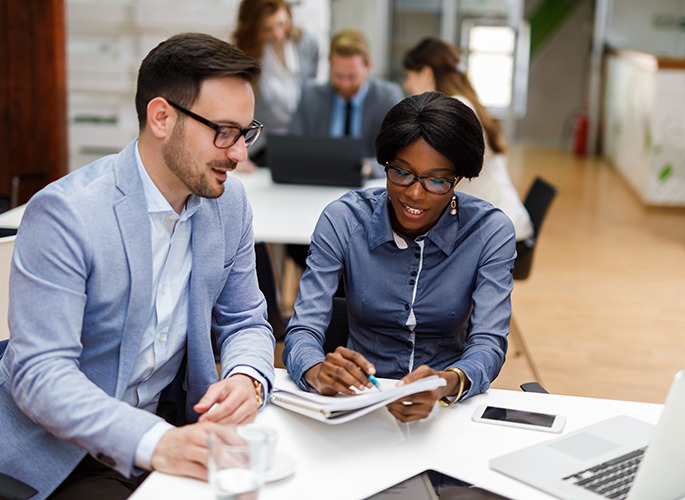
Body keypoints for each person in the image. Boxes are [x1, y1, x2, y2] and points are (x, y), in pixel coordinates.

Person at [0, 33, 276, 499]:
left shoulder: (228, 204)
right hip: (61, 452)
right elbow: (41, 373)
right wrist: (157, 442)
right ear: (162, 116)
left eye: (246, 132)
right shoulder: (68, 214)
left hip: (172, 424)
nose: (239, 154)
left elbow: (246, 319)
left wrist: (246, 377)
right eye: (224, 131)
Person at [282, 92, 515, 423]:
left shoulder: (489, 231)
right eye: (402, 173)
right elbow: (303, 329)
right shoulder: (344, 219)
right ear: (385, 164)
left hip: (447, 407)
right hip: (358, 404)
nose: (415, 194)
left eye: (437, 180)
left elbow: (488, 344)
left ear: (458, 179)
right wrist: (317, 371)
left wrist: (445, 383)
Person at [402, 37, 534, 244]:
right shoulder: (463, 102)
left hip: (498, 229)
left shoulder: (456, 107)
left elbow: (433, 169)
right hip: (495, 218)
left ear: (426, 74)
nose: (407, 84)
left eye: (409, 76)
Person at [288, 28, 404, 172]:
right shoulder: (310, 98)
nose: (345, 84)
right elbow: (293, 149)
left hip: (368, 186)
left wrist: (369, 168)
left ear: (368, 66)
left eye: (352, 77)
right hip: (319, 182)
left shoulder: (387, 98)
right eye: (338, 76)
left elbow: (399, 156)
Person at [232, 0, 319, 168]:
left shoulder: (308, 41)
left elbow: (311, 91)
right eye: (268, 29)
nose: (278, 34)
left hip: (301, 143)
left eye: (281, 24)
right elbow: (236, 110)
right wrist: (238, 153)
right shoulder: (245, 56)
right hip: (261, 148)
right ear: (254, 29)